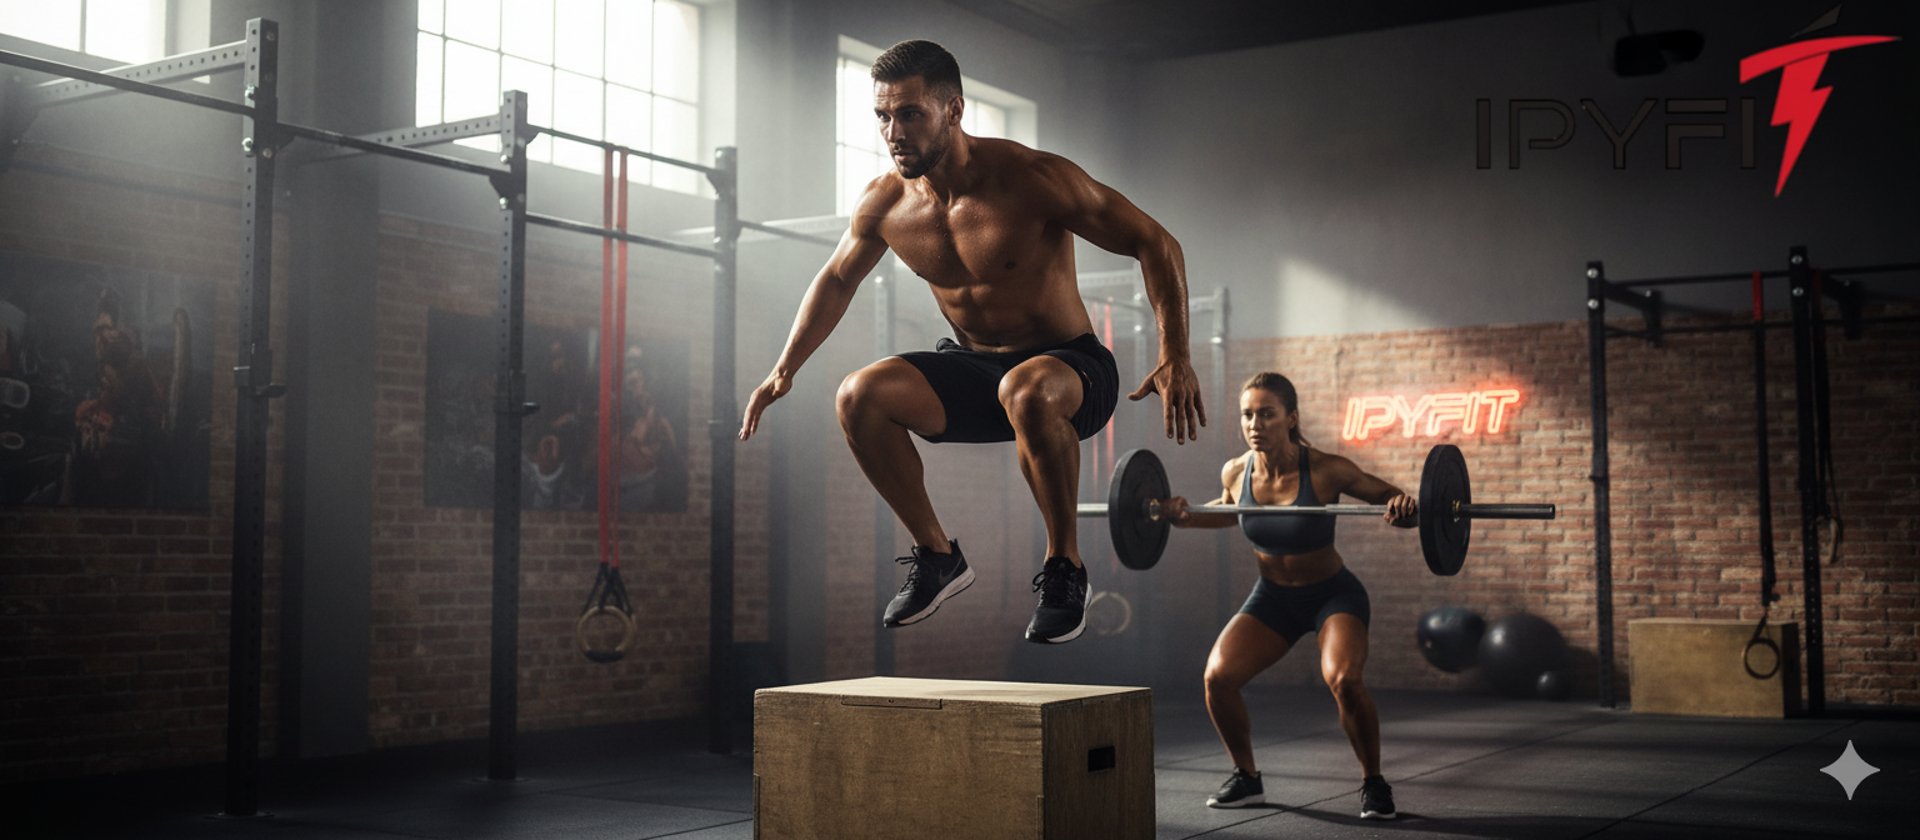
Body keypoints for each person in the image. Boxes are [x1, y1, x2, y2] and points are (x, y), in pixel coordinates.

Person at [738, 39, 1204, 643]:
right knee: (858, 396)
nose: (894, 132)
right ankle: (938, 556)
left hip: (1071, 372)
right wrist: (784, 368)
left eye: (910, 114)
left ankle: (1066, 567)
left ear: (953, 110)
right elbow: (836, 280)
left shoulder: (1032, 178)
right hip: (976, 370)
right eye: (883, 116)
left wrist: (1175, 353)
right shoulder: (885, 203)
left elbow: (1156, 242)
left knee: (1026, 389)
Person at [1162, 372, 1412, 819]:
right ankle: (1247, 777)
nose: (1254, 424)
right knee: (1218, 679)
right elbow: (1229, 512)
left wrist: (1402, 507)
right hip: (1273, 599)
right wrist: (1182, 515)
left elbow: (1389, 496)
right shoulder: (1236, 471)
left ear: (1291, 418)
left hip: (1332, 595)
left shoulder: (1327, 469)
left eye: (1266, 414)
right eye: (1247, 415)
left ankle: (1374, 782)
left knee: (1344, 681)